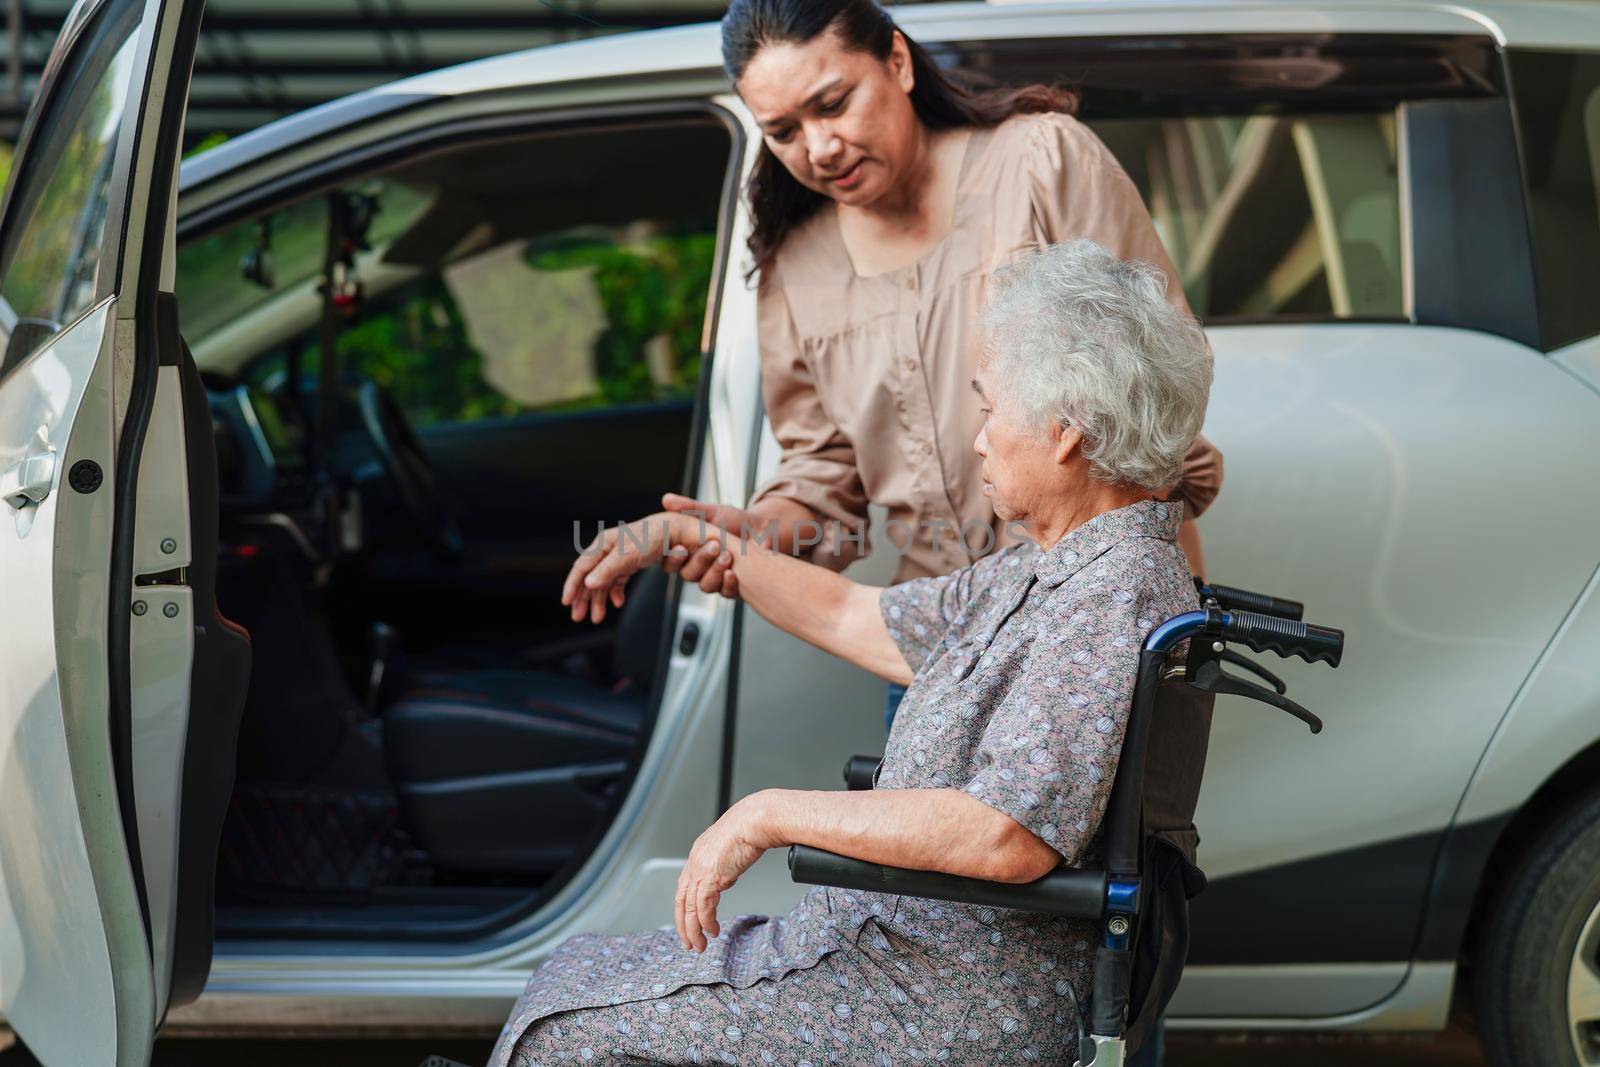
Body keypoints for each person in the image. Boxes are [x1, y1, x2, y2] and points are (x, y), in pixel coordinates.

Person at [489, 240, 1211, 1066]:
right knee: (572, 973)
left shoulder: (1107, 596)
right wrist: (695, 539)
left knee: (567, 1031)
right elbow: (854, 615)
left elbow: (1005, 833)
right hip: (902, 961)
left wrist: (765, 811)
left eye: (988, 409)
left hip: (938, 997)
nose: (977, 440)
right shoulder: (1051, 570)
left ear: (1065, 433)